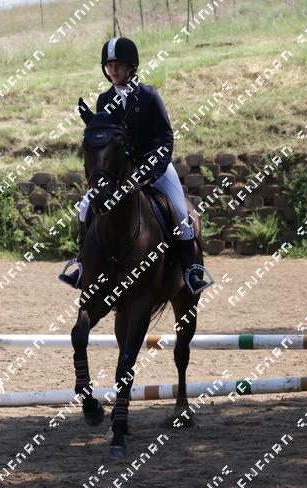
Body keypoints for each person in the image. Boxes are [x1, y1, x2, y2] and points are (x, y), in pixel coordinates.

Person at [58, 36, 213, 295]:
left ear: (131, 66)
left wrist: (151, 170)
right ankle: (82, 265)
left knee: (180, 211)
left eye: (118, 65)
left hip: (155, 166)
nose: (113, 70)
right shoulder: (104, 100)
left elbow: (166, 137)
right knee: (85, 207)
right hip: (120, 172)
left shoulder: (149, 96)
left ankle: (191, 271)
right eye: (109, 65)